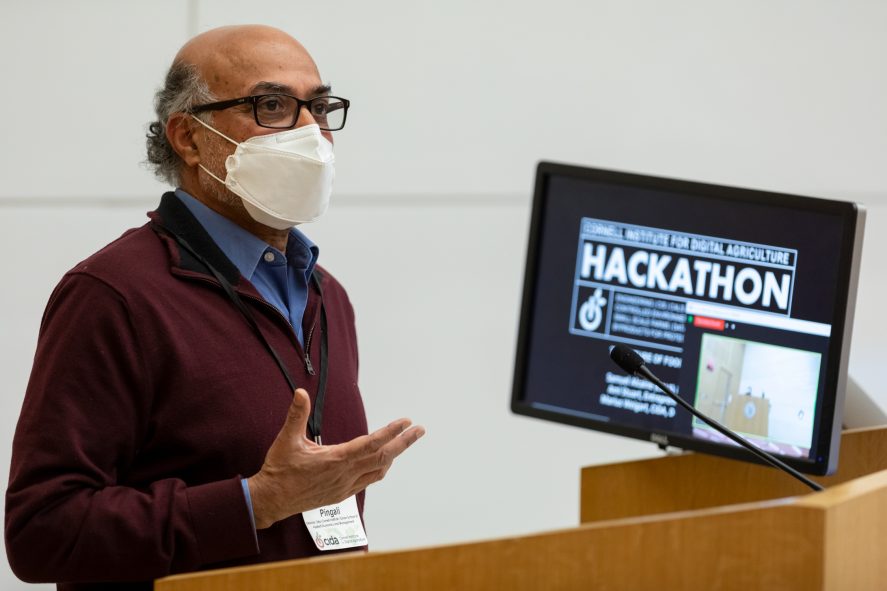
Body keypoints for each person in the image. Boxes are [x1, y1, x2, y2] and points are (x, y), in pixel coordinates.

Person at [5, 25, 424, 590]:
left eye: (318, 107)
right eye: (271, 105)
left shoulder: (328, 295)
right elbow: (42, 534)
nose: (309, 132)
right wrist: (257, 502)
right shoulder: (113, 295)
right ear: (188, 138)